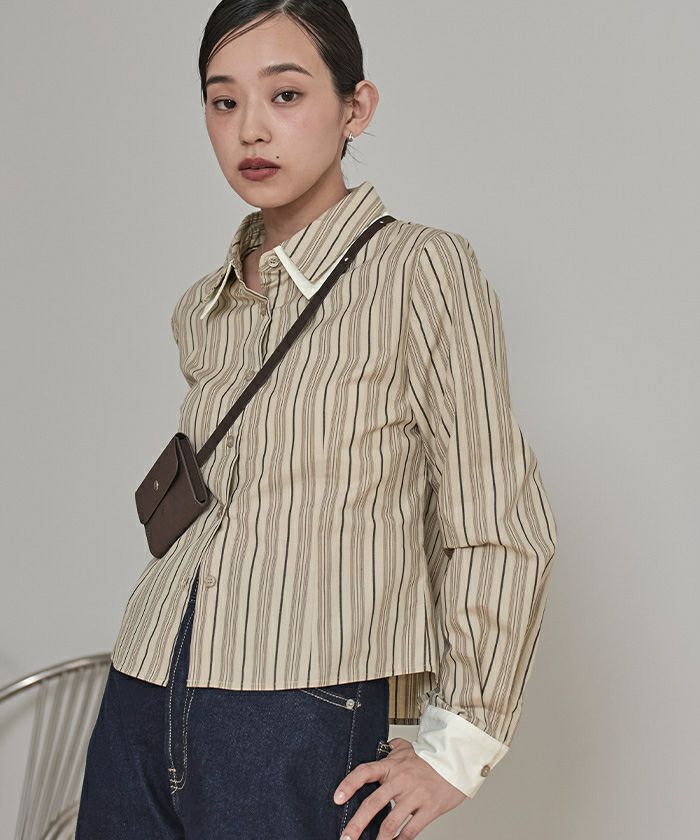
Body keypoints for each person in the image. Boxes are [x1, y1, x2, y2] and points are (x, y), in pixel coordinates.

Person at [75, 2, 558, 838]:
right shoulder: (205, 306)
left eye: (286, 95)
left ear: (354, 107)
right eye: (223, 101)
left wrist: (458, 747)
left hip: (295, 709)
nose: (251, 129)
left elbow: (498, 520)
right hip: (141, 691)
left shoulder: (420, 270)